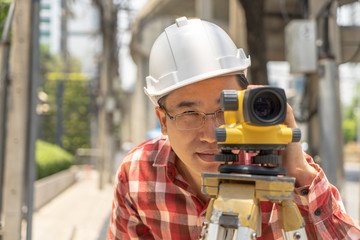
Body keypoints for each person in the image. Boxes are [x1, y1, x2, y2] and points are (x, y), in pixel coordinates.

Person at [108, 16, 360, 239]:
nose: (210, 135)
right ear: (163, 120)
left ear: (247, 102)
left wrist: (300, 173)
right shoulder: (137, 175)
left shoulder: (282, 170)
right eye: (189, 113)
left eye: (226, 109)